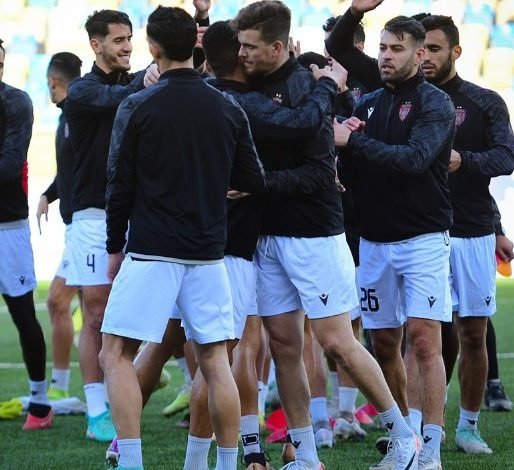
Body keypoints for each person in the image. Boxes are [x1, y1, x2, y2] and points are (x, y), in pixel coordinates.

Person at [234, 3, 420, 469]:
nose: (242, 54)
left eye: (250, 46)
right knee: (284, 346)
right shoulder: (250, 86)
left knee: (337, 341)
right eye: (239, 45)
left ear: (277, 46)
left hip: (313, 233)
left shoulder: (305, 86)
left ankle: (405, 437)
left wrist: (257, 184)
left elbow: (319, 173)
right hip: (267, 236)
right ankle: (307, 455)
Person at [98, 6, 265, 470]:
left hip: (152, 249)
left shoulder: (138, 105)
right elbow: (254, 177)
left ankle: (131, 462)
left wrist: (114, 247)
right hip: (209, 253)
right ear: (195, 43)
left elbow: (118, 184)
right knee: (215, 362)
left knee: (115, 353)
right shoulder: (227, 106)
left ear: (152, 47)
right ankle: (224, 463)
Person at [333, 12, 456, 470]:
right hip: (374, 241)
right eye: (383, 47)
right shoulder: (367, 103)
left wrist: (353, 144)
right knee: (383, 344)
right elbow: (352, 165)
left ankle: (432, 449)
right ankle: (407, 439)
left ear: (419, 54)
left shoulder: (435, 103)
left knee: (424, 341)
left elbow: (414, 159)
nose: (386, 56)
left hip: (423, 237)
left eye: (396, 48)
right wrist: (343, 158)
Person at [419, 14, 514, 455]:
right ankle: (423, 427)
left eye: (434, 48)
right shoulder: (402, 100)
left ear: (456, 51)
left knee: (473, 332)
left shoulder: (484, 101)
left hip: (472, 231)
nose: (425, 56)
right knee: (423, 335)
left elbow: (506, 157)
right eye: (420, 48)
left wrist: (464, 161)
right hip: (418, 231)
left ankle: (469, 427)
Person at [63, 9, 147, 442]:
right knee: (95, 311)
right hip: (94, 213)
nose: (127, 46)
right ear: (96, 45)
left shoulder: (137, 82)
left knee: (149, 312)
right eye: (118, 40)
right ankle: (97, 410)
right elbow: (120, 99)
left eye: (130, 38)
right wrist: (151, 77)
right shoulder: (82, 90)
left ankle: (144, 377)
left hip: (140, 212)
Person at [0, 38, 52, 430]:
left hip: (7, 228)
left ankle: (40, 403)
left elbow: (9, 166)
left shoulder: (15, 102)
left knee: (22, 314)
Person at [36, 52, 82, 401]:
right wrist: (48, 195)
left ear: (53, 82)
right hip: (79, 223)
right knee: (93, 308)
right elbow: (70, 170)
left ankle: (60, 388)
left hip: (89, 226)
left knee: (57, 299)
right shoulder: (70, 114)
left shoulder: (78, 115)